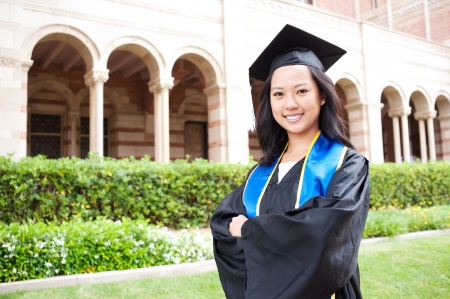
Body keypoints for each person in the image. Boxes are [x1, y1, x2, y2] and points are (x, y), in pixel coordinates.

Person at [210, 24, 370, 299]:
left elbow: (324, 237)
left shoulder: (347, 165)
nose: (290, 104)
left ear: (321, 96)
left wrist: (249, 230)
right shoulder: (260, 173)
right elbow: (223, 225)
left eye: (302, 91)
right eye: (279, 94)